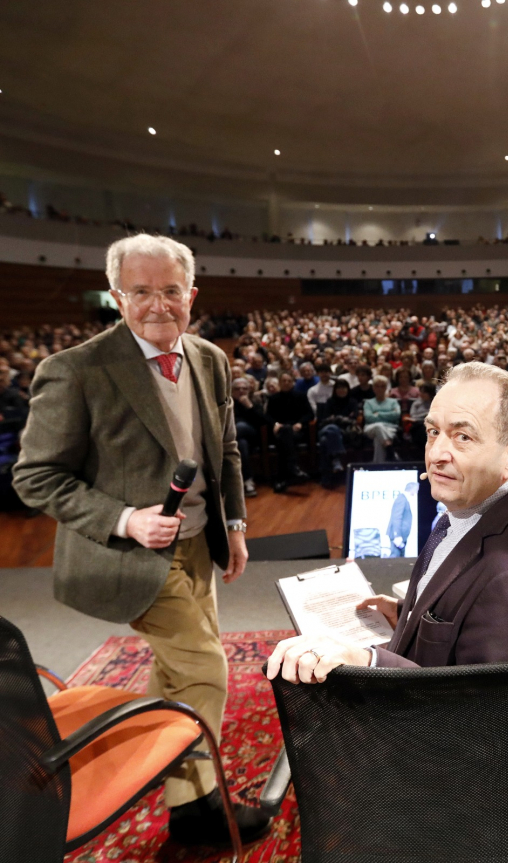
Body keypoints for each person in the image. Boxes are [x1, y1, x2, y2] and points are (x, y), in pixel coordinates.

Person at [12, 235, 271, 847]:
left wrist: (235, 525)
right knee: (205, 669)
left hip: (199, 542)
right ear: (117, 296)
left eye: (171, 291)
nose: (159, 304)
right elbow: (35, 477)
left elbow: (226, 450)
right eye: (142, 291)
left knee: (178, 670)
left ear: (191, 295)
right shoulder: (75, 370)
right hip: (131, 554)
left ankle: (143, 760)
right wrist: (127, 519)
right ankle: (195, 810)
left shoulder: (209, 358)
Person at [266, 362, 508, 682]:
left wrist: (369, 661)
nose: (436, 454)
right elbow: (469, 613)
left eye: (463, 436)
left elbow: (490, 710)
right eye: (434, 432)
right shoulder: (471, 505)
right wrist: (407, 615)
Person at [265, 371, 314, 493]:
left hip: (296, 431)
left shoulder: (301, 396)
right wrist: (275, 424)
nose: (286, 383)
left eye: (289, 381)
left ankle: (281, 479)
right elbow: (268, 416)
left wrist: (300, 423)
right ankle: (293, 469)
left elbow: (310, 414)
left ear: (293, 382)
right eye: (284, 381)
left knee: (284, 440)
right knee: (285, 433)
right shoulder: (273, 398)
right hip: (280, 431)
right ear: (279, 383)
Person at [317, 379, 360, 488]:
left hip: (345, 432)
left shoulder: (352, 402)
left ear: (348, 389)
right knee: (332, 428)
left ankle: (326, 477)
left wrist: (335, 418)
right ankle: (336, 460)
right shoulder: (330, 401)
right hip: (328, 429)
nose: (341, 390)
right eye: (339, 388)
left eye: (344, 388)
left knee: (324, 441)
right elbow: (325, 420)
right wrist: (342, 419)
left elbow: (353, 420)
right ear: (335, 390)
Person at [232, 376, 265, 498]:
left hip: (254, 436)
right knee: (241, 444)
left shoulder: (255, 402)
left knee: (240, 427)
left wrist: (249, 406)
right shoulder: (228, 404)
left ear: (249, 390)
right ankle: (248, 481)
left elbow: (262, 422)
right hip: (237, 440)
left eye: (244, 388)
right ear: (232, 391)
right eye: (237, 389)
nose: (241, 391)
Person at [363, 375, 401, 462]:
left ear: (386, 388)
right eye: (377, 386)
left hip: (390, 428)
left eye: (382, 386)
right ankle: (389, 447)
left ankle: (379, 464)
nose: (380, 389)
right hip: (371, 428)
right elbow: (368, 417)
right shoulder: (368, 403)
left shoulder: (393, 402)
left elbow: (396, 415)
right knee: (378, 426)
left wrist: (378, 414)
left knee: (378, 439)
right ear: (373, 388)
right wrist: (388, 415)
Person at [387, 482, 418, 558]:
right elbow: (396, 518)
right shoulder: (401, 499)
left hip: (401, 536)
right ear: (412, 489)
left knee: (400, 559)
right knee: (395, 559)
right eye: (416, 490)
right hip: (398, 536)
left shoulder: (404, 499)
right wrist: (397, 535)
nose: (416, 492)